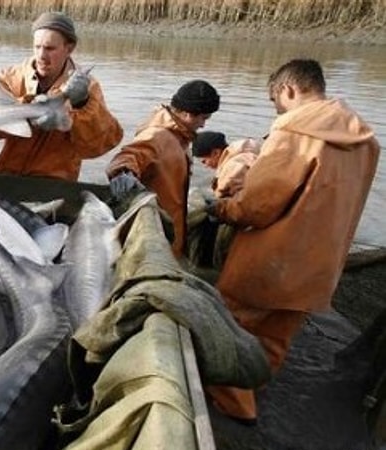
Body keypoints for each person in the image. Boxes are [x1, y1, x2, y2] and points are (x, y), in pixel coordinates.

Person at [204, 59, 380, 424]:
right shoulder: (366, 141)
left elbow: (258, 206)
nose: (278, 111)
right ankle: (254, 392)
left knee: (234, 329)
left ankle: (234, 408)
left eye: (276, 102)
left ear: (288, 90)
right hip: (319, 268)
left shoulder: (296, 132)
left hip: (270, 262)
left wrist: (223, 210)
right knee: (274, 340)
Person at [0, 11, 122, 180]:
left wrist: (82, 104)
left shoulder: (88, 86)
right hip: (6, 176)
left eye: (50, 48)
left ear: (69, 48)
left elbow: (98, 146)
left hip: (57, 184)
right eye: (37, 47)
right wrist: (29, 113)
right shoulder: (10, 77)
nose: (42, 55)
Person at [106, 79, 221, 257]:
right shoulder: (158, 136)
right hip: (153, 238)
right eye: (203, 118)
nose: (204, 125)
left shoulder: (179, 140)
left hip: (168, 234)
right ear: (189, 114)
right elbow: (129, 156)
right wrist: (122, 173)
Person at [191, 131, 262, 198]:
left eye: (204, 161)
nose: (206, 166)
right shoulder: (249, 150)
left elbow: (223, 198)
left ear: (216, 153)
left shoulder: (232, 171)